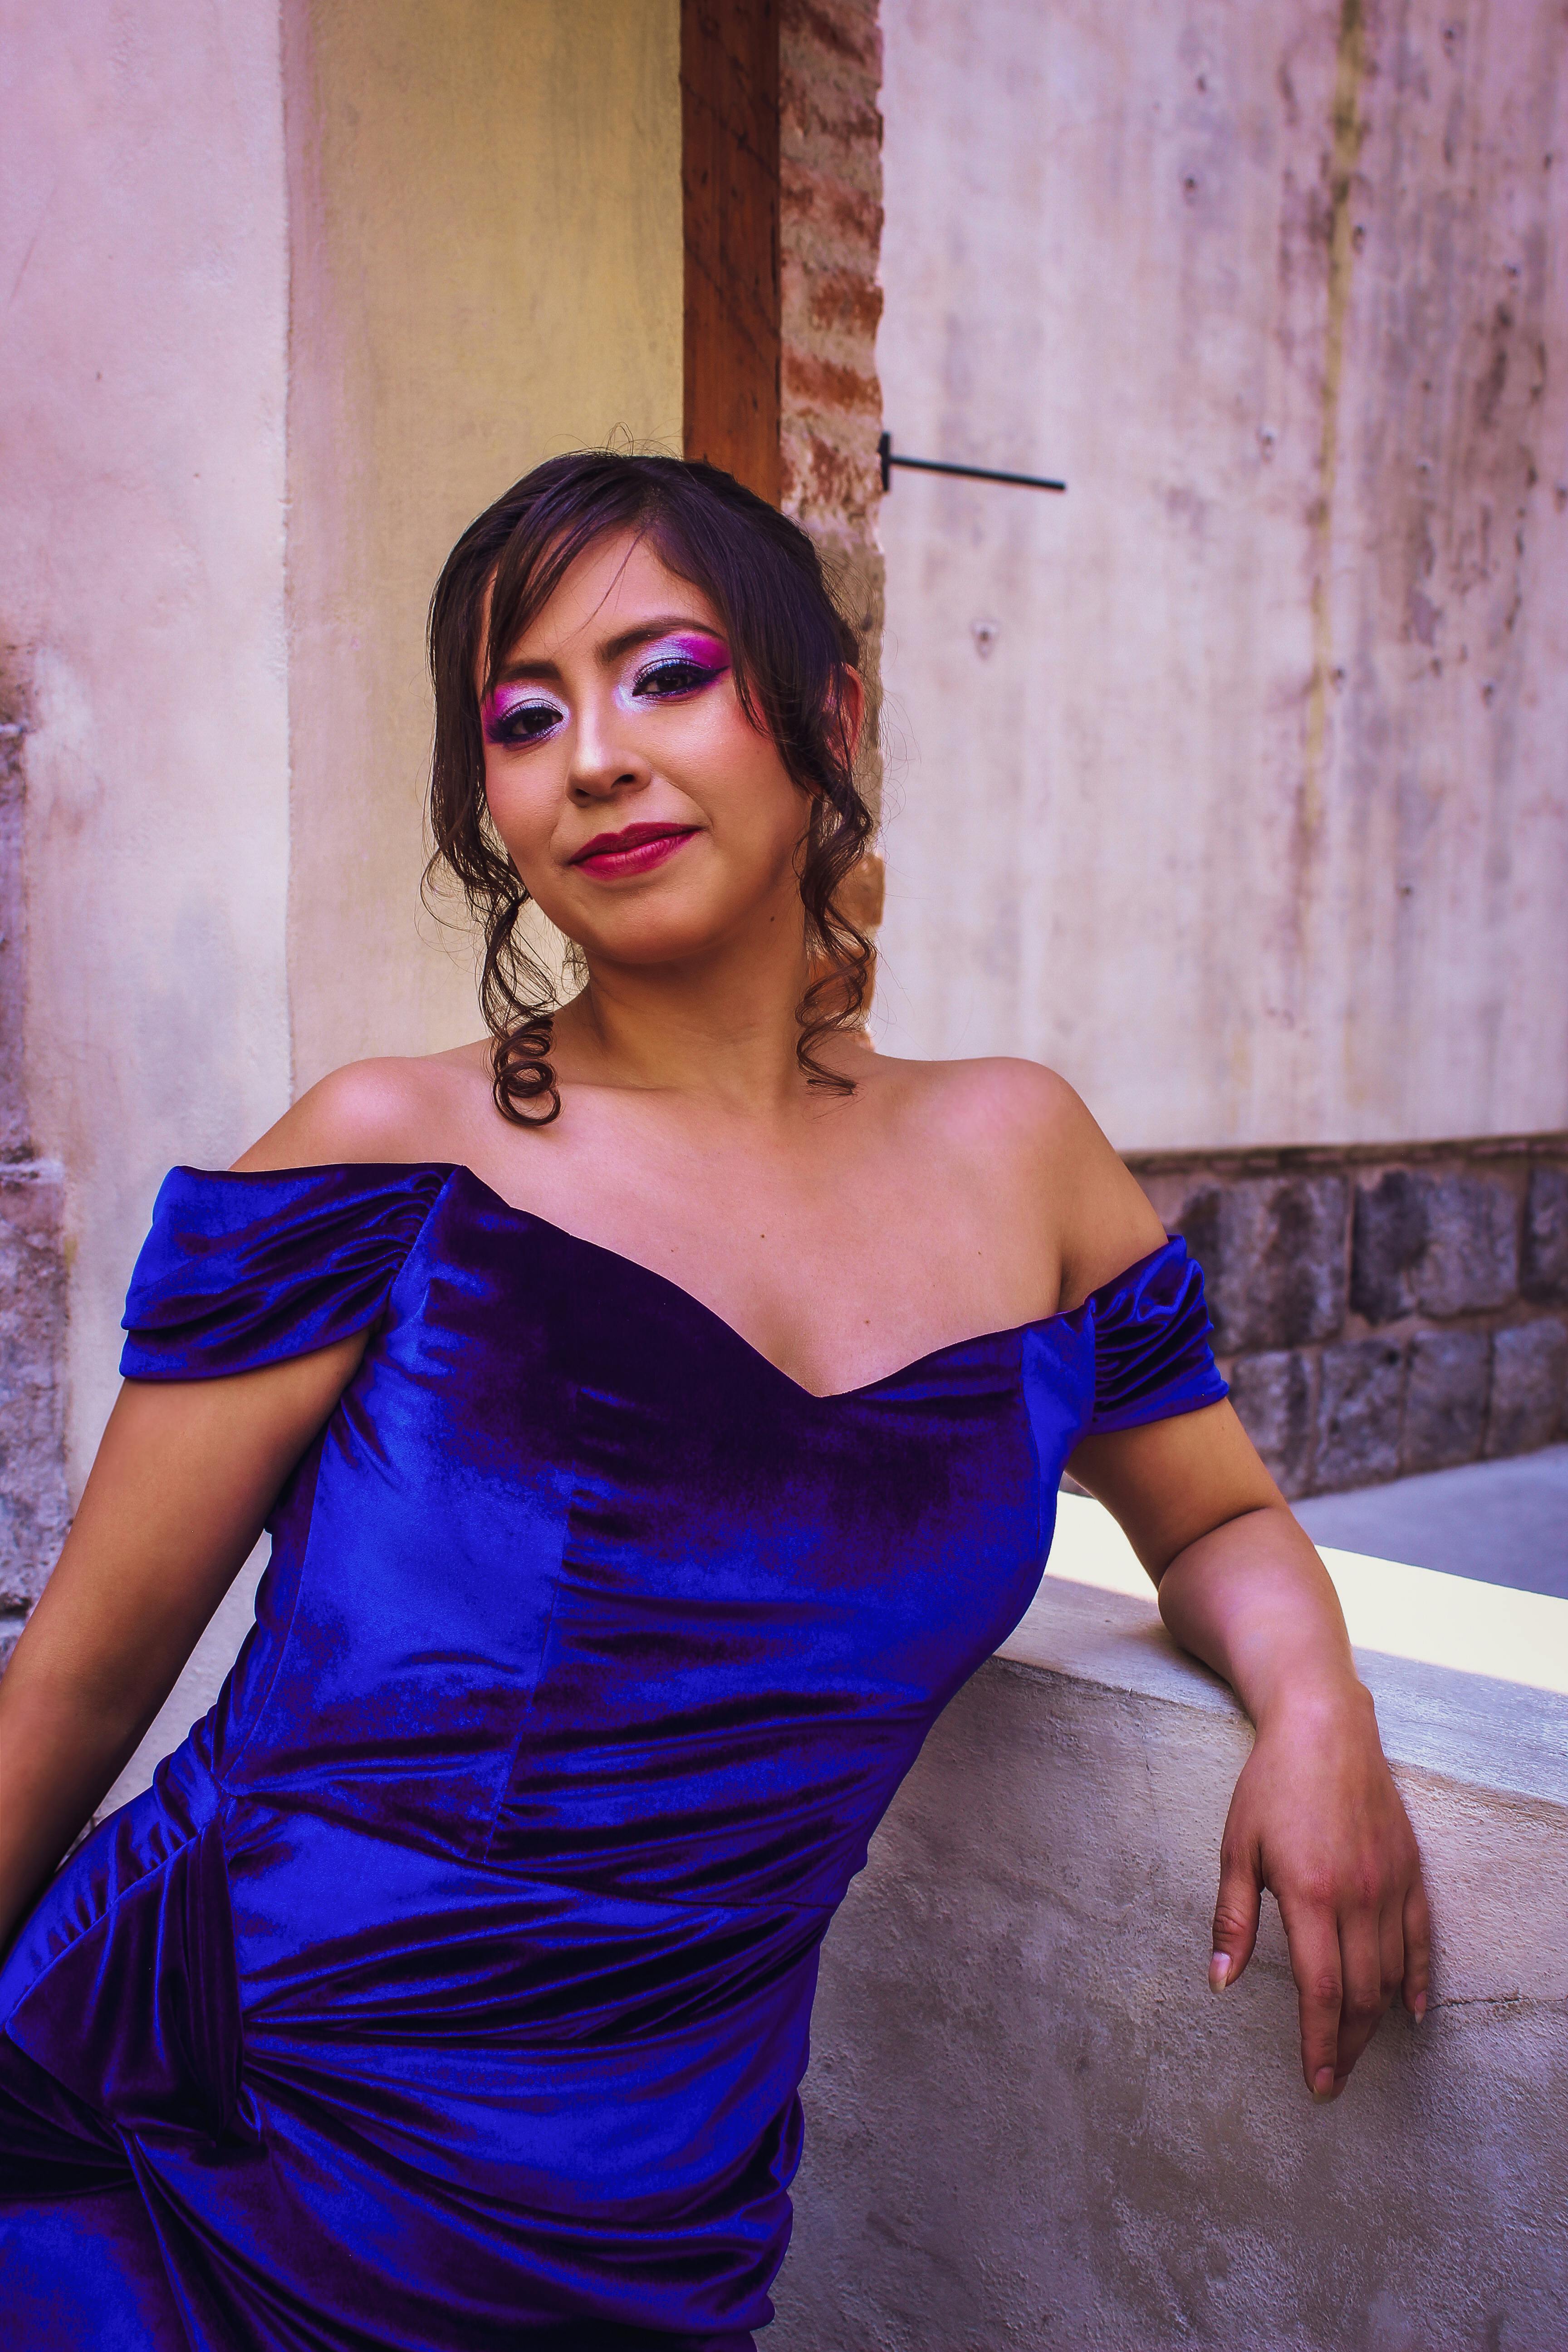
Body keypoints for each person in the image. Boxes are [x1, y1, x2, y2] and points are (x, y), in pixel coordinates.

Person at [0, 453, 1428, 2351]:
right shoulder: (383, 1152)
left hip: (643, 2227)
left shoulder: (1025, 1159)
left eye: (665, 674)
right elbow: (78, 1683)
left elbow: (1220, 1513)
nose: (594, 758)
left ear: (826, 711)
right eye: (525, 719)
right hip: (176, 2149)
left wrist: (1318, 1705)